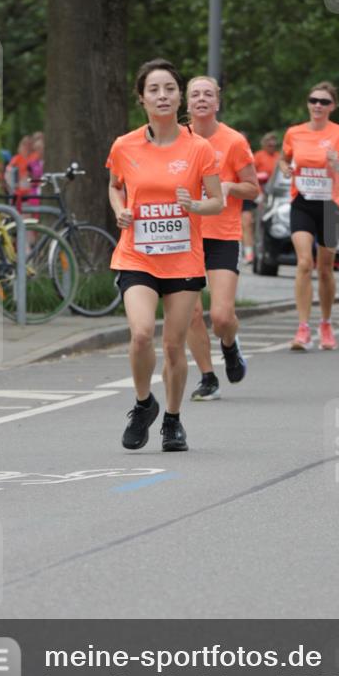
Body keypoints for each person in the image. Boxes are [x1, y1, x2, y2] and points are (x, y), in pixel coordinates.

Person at [107, 59, 223, 452]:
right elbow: (115, 186)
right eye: (154, 89)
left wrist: (195, 205)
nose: (162, 96)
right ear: (141, 98)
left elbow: (217, 202)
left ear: (179, 97)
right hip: (136, 256)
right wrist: (119, 209)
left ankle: (172, 419)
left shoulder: (198, 148)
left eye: (170, 89)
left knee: (174, 345)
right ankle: (143, 404)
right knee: (141, 334)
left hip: (183, 259)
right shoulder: (125, 146)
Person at [185, 76, 259, 401]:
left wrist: (229, 187)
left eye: (208, 94)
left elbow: (254, 188)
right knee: (188, 313)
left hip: (222, 234)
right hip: (183, 237)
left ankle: (229, 344)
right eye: (195, 94)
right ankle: (207, 377)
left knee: (221, 316)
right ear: (186, 103)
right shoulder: (175, 139)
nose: (201, 99)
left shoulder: (233, 141)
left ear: (217, 102)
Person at [280, 82, 339, 351]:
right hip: (302, 202)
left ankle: (326, 322)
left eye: (324, 102)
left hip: (331, 207)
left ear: (333, 106)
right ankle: (303, 328)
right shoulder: (294, 132)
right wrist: (286, 170)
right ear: (308, 103)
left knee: (325, 269)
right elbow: (283, 159)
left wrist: (338, 164)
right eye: (313, 100)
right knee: (303, 263)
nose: (318, 106)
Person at [242, 131, 279, 264]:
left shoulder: (278, 157)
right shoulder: (258, 156)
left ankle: (264, 249)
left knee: (263, 224)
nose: (271, 146)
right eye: (268, 143)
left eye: (273, 144)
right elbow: (251, 175)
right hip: (256, 194)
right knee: (247, 223)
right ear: (264, 144)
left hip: (273, 195)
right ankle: (249, 253)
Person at [4, 134, 33, 211]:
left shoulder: (32, 159)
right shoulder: (16, 159)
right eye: (25, 145)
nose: (28, 148)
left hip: (29, 194)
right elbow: (9, 175)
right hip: (18, 194)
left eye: (29, 145)